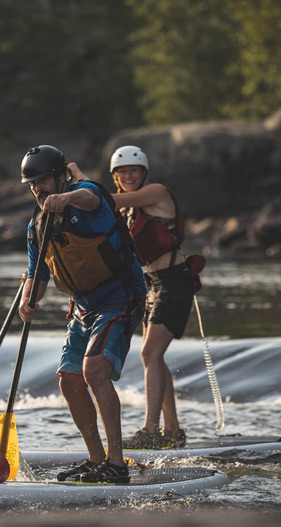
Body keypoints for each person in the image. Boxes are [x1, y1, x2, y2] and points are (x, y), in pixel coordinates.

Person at [19, 145, 145, 483]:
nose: (38, 188)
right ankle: (96, 458)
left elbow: (90, 196)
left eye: (44, 180)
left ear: (61, 177)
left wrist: (68, 198)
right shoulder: (37, 227)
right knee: (69, 379)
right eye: (32, 183)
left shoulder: (86, 197)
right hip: (83, 306)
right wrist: (28, 300)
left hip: (121, 296)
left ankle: (117, 465)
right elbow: (37, 274)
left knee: (94, 370)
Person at [69, 145, 199, 449]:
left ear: (144, 174)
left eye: (134, 171)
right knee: (154, 355)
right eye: (122, 172)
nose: (128, 176)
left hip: (175, 283)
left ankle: (151, 430)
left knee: (149, 354)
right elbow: (102, 203)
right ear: (115, 176)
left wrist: (77, 178)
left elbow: (101, 198)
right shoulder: (127, 209)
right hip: (151, 285)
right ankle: (173, 430)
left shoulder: (156, 193)